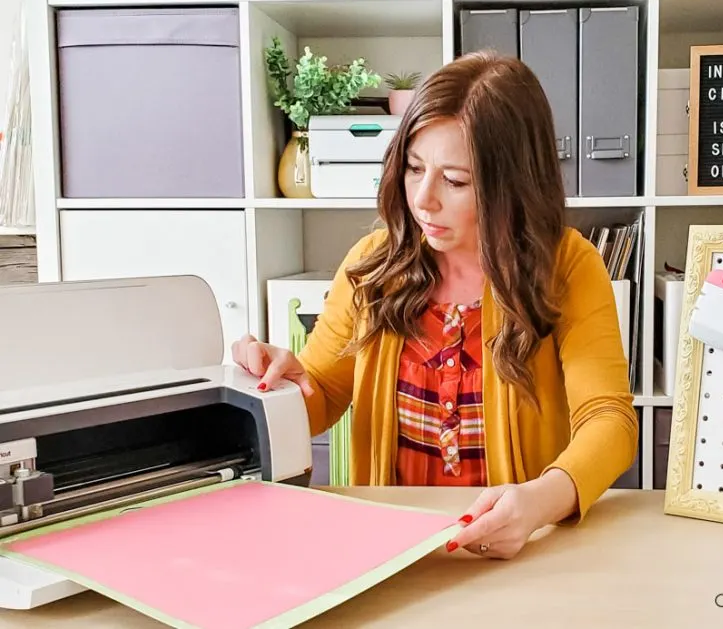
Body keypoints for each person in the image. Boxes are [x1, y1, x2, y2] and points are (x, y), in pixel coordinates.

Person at [232, 50, 638, 560]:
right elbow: (322, 398)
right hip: (388, 553)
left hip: (520, 550)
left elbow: (610, 420)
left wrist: (537, 503)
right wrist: (281, 386)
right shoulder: (373, 266)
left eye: (456, 180)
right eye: (414, 167)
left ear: (513, 184)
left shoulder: (568, 268)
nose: (423, 199)